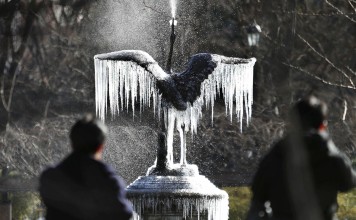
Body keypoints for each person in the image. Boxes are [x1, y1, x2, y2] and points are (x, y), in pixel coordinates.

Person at [247, 96, 356, 220]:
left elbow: (258, 193)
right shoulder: (331, 157)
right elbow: (348, 183)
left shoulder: (276, 155)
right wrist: (328, 143)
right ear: (322, 125)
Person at [39, 115, 133, 220]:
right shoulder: (108, 181)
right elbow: (123, 213)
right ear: (100, 147)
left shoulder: (50, 177)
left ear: (72, 143)